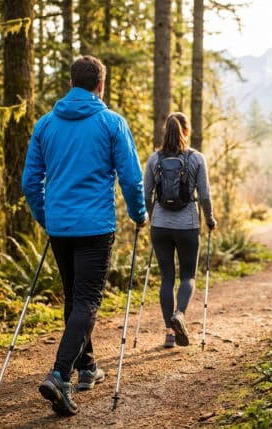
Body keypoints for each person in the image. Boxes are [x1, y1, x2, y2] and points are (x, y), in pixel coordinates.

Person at [21, 55, 147, 416]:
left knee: (75, 298)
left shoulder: (45, 125)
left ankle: (87, 367)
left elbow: (30, 182)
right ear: (100, 85)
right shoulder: (111, 123)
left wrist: (47, 218)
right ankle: (60, 374)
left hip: (60, 227)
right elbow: (132, 178)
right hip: (94, 227)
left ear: (71, 82)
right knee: (87, 301)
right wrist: (139, 214)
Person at [143, 112, 216, 349]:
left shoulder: (154, 159)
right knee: (188, 276)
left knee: (166, 278)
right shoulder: (196, 158)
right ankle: (180, 315)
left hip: (160, 226)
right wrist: (210, 219)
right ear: (187, 132)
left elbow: (146, 194)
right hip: (187, 226)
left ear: (167, 131)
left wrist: (150, 217)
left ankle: (169, 334)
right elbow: (204, 194)